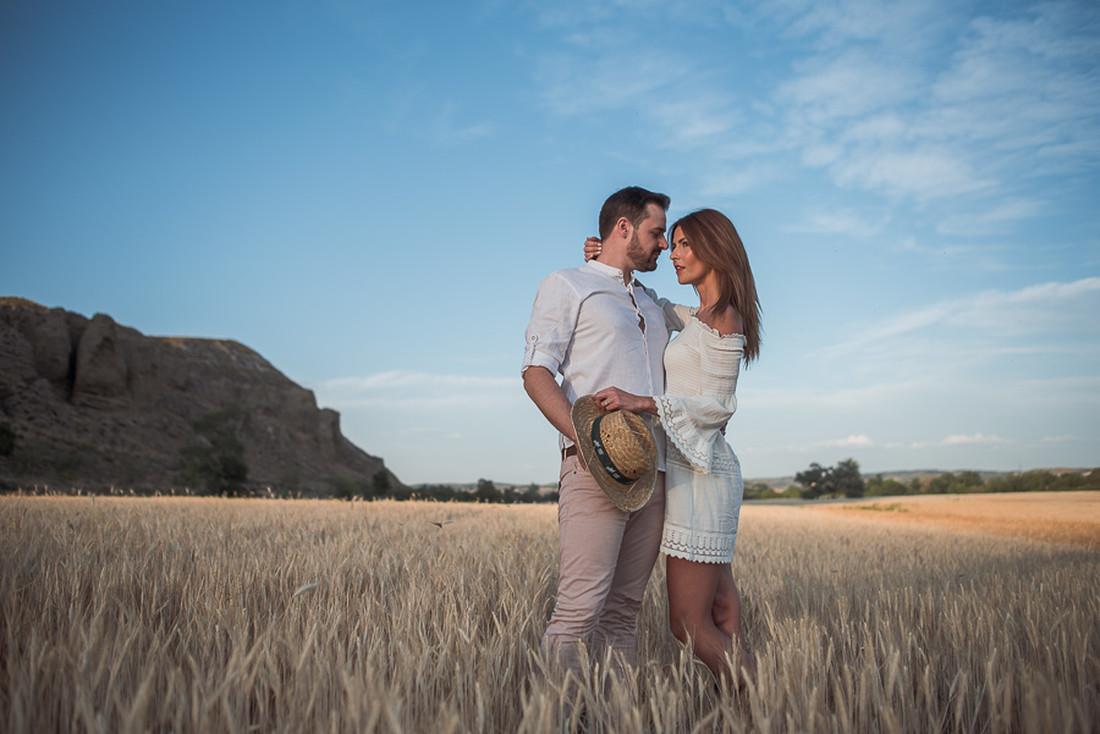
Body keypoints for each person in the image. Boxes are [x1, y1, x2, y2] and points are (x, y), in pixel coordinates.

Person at [585, 208, 761, 684]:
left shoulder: (724, 318)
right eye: (673, 243)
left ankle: (766, 702)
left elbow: (719, 408)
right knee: (720, 609)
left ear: (714, 249)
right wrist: (607, 260)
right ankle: (748, 709)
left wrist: (642, 402)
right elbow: (653, 303)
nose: (673, 253)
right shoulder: (698, 317)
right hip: (694, 474)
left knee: (686, 624)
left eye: (684, 244)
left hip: (703, 480)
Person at [522, 186, 672, 677]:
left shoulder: (652, 302)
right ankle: (553, 714)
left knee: (623, 614)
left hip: (654, 472)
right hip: (593, 468)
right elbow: (536, 372)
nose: (664, 244)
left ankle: (614, 714)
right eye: (656, 232)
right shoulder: (568, 284)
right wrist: (586, 440)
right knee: (578, 611)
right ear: (623, 228)